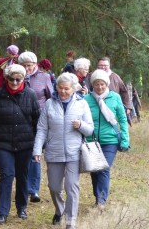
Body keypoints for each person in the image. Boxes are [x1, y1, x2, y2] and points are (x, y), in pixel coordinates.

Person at [0, 64, 40, 225]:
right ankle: (2, 212)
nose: (15, 82)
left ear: (24, 79)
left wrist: (40, 145)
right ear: (6, 78)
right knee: (7, 175)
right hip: (2, 143)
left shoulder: (30, 95)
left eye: (18, 79)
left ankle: (21, 208)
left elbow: (37, 121)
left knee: (22, 176)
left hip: (25, 144)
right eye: (12, 79)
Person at [33, 72, 94, 229]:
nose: (63, 91)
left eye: (66, 88)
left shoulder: (82, 104)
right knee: (54, 187)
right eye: (60, 88)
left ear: (73, 89)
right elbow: (41, 129)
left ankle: (70, 222)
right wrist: (37, 150)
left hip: (74, 153)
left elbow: (90, 130)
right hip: (54, 151)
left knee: (72, 187)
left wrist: (80, 125)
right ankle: (60, 210)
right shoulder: (49, 104)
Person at [84, 69, 130, 212]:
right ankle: (98, 197)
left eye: (102, 84)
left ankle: (101, 200)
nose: (99, 87)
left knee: (103, 168)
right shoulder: (86, 99)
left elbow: (122, 120)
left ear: (107, 84)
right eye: (96, 84)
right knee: (94, 170)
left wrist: (124, 140)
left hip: (110, 140)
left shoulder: (115, 97)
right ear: (93, 85)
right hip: (91, 140)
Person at [18, 52, 54, 203]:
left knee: (35, 155)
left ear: (35, 64)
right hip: (19, 121)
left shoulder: (44, 77)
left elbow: (52, 98)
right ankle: (23, 187)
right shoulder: (16, 76)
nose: (27, 68)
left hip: (38, 122)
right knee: (22, 156)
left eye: (29, 65)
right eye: (24, 66)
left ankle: (33, 190)